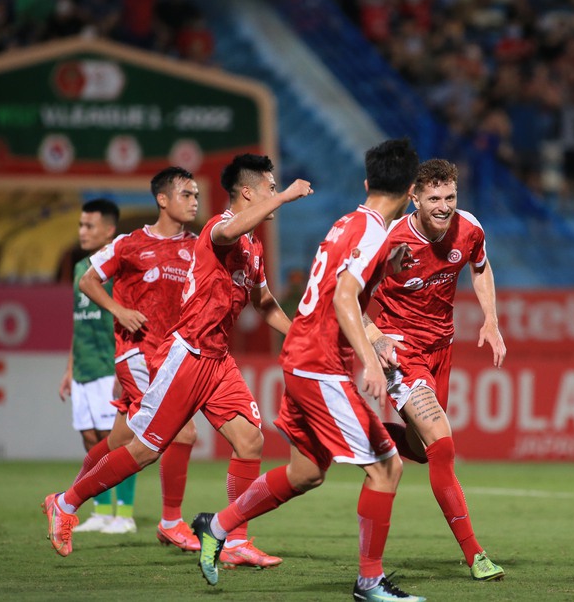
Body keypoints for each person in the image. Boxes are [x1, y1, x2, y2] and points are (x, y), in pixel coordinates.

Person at [42, 154, 313, 566]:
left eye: (277, 189)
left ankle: (235, 540)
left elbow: (265, 303)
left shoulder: (254, 247)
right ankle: (66, 502)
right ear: (248, 193)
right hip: (186, 355)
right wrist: (285, 198)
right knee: (145, 449)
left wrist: (303, 338)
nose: (276, 193)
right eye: (270, 187)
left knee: (250, 440)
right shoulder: (216, 229)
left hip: (218, 361)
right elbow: (230, 230)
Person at [190, 138, 427, 602]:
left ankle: (215, 526)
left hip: (301, 359)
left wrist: (384, 265)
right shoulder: (375, 232)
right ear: (413, 190)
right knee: (386, 468)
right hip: (321, 365)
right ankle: (369, 583)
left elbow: (339, 286)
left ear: (367, 183)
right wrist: (371, 358)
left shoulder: (348, 222)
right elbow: (342, 298)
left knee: (306, 471)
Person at [364, 158, 507, 581]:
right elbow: (347, 297)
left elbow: (480, 268)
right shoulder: (390, 239)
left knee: (424, 450)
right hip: (400, 353)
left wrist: (492, 320)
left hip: (442, 349)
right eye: (434, 199)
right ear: (414, 198)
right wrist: (375, 337)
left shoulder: (469, 228)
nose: (444, 207)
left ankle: (350, 433)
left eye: (450, 197)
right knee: (442, 447)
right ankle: (475, 554)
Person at [71, 167, 201, 549]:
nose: (195, 201)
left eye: (196, 195)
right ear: (163, 199)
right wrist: (118, 310)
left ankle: (65, 500)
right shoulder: (130, 243)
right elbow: (88, 280)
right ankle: (171, 521)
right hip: (138, 353)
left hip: (172, 356)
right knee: (183, 432)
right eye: (186, 194)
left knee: (119, 439)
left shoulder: (198, 247)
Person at [57, 199, 138, 533]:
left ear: (109, 230)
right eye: (80, 225)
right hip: (84, 368)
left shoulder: (117, 268)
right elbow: (81, 323)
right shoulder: (80, 270)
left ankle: (126, 514)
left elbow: (125, 321)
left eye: (89, 226)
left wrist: (124, 370)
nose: (82, 232)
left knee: (116, 441)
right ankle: (103, 511)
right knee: (90, 438)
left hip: (109, 367)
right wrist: (69, 368)